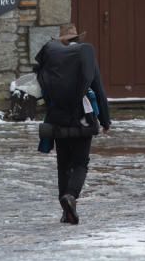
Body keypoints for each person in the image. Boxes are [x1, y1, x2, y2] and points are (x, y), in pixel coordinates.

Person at [35, 22, 111, 225]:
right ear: (77, 39)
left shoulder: (51, 58)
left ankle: (65, 210)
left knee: (63, 164)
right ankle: (70, 196)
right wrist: (105, 119)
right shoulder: (84, 57)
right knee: (80, 163)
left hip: (57, 118)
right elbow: (99, 89)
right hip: (81, 118)